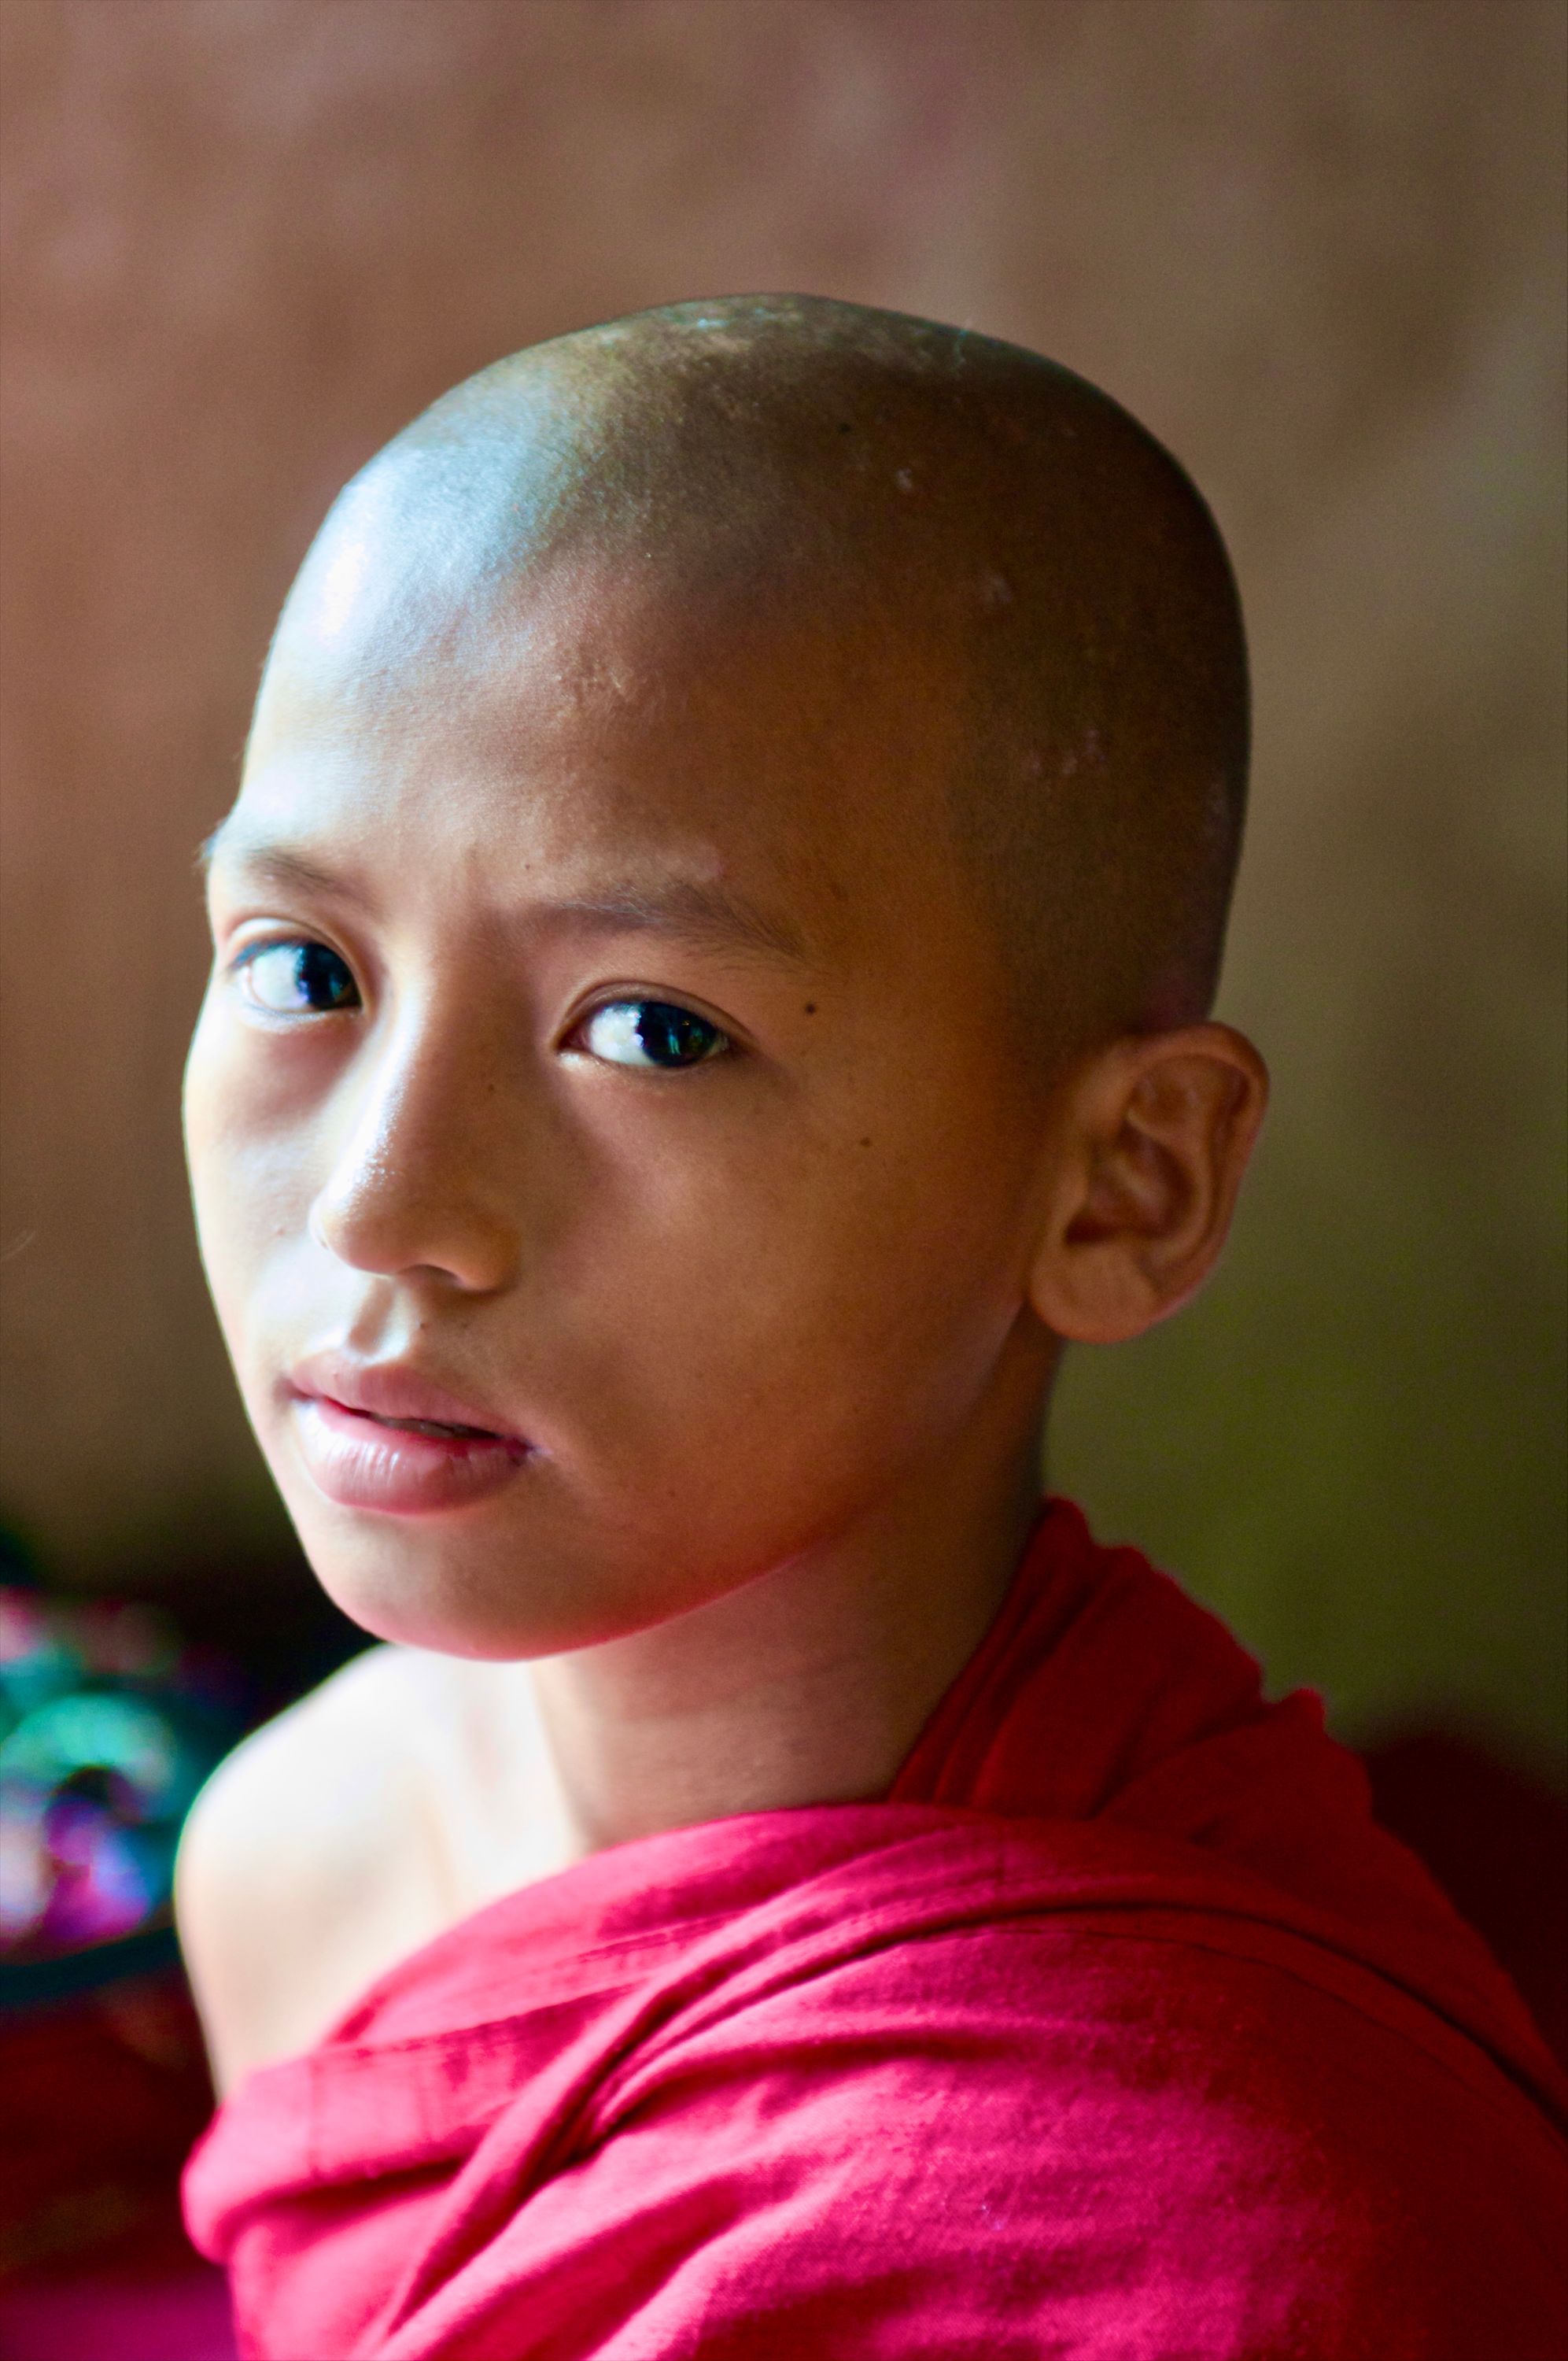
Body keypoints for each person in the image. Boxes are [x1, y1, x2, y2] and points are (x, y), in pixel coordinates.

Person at [174, 296, 1566, 2359]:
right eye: (303, 969)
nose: (383, 1205)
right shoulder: (294, 1856)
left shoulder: (1265, 2252)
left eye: (649, 1031)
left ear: (1122, 1186)